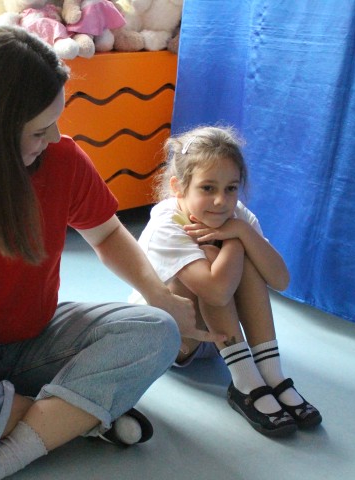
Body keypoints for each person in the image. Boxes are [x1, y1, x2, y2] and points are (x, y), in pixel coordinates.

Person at [0, 26, 223, 480]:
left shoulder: (62, 159)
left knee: (156, 331)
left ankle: (18, 442)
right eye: (39, 129)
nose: (55, 136)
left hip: (39, 339)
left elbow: (108, 234)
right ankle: (75, 418)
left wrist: (160, 296)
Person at [130, 126, 322, 437]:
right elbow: (217, 293)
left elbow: (280, 279)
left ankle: (271, 374)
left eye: (231, 188)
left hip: (221, 341)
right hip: (174, 341)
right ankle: (246, 383)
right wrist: (234, 242)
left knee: (244, 258)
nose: (221, 200)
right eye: (207, 188)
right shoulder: (167, 225)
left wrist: (242, 233)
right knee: (215, 262)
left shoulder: (237, 217)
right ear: (179, 187)